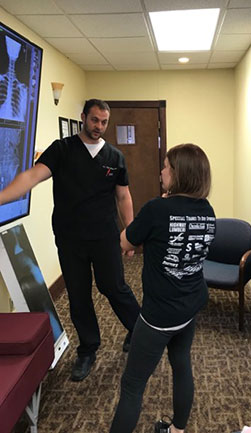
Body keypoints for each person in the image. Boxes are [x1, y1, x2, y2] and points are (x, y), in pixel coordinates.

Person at [0, 99, 140, 381]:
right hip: (70, 237)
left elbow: (123, 195)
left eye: (103, 122)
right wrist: (2, 197)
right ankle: (88, 349)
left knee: (114, 287)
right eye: (94, 120)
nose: (98, 126)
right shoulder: (62, 150)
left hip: (104, 237)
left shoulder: (115, 157)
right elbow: (31, 176)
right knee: (78, 295)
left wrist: (130, 233)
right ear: (83, 118)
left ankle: (139, 331)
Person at [109, 143, 216, 433]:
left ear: (179, 173)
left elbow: (125, 241)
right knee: (181, 363)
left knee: (132, 385)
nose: (161, 171)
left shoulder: (158, 208)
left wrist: (140, 233)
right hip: (190, 304)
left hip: (159, 315)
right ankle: (177, 430)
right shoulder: (207, 210)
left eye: (167, 166)